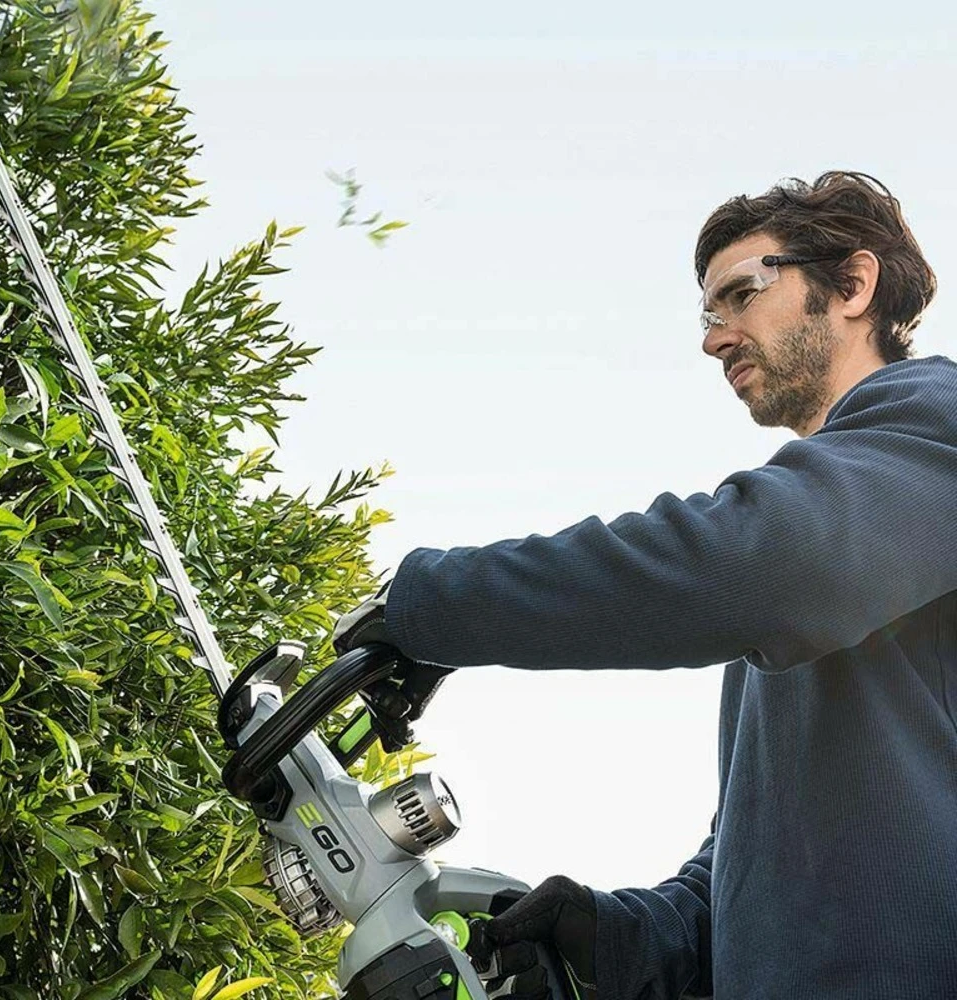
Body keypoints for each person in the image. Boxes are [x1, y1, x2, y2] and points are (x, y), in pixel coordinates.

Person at [333, 172, 957, 1000]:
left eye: (742, 294)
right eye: (707, 316)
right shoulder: (822, 570)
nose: (715, 339)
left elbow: (743, 564)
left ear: (853, 285)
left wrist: (433, 607)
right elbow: (751, 875)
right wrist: (614, 937)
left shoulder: (935, 428)